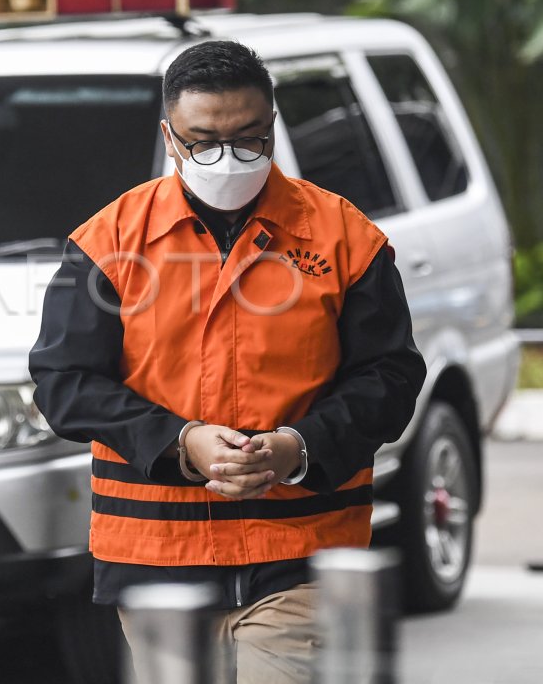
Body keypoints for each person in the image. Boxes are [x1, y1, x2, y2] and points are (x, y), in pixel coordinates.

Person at [28, 39, 426, 684]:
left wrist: (298, 447)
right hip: (157, 561)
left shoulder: (343, 237)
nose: (227, 156)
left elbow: (391, 375)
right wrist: (179, 441)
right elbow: (64, 382)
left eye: (248, 138)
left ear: (272, 126)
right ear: (169, 136)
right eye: (202, 140)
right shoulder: (109, 242)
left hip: (303, 552)